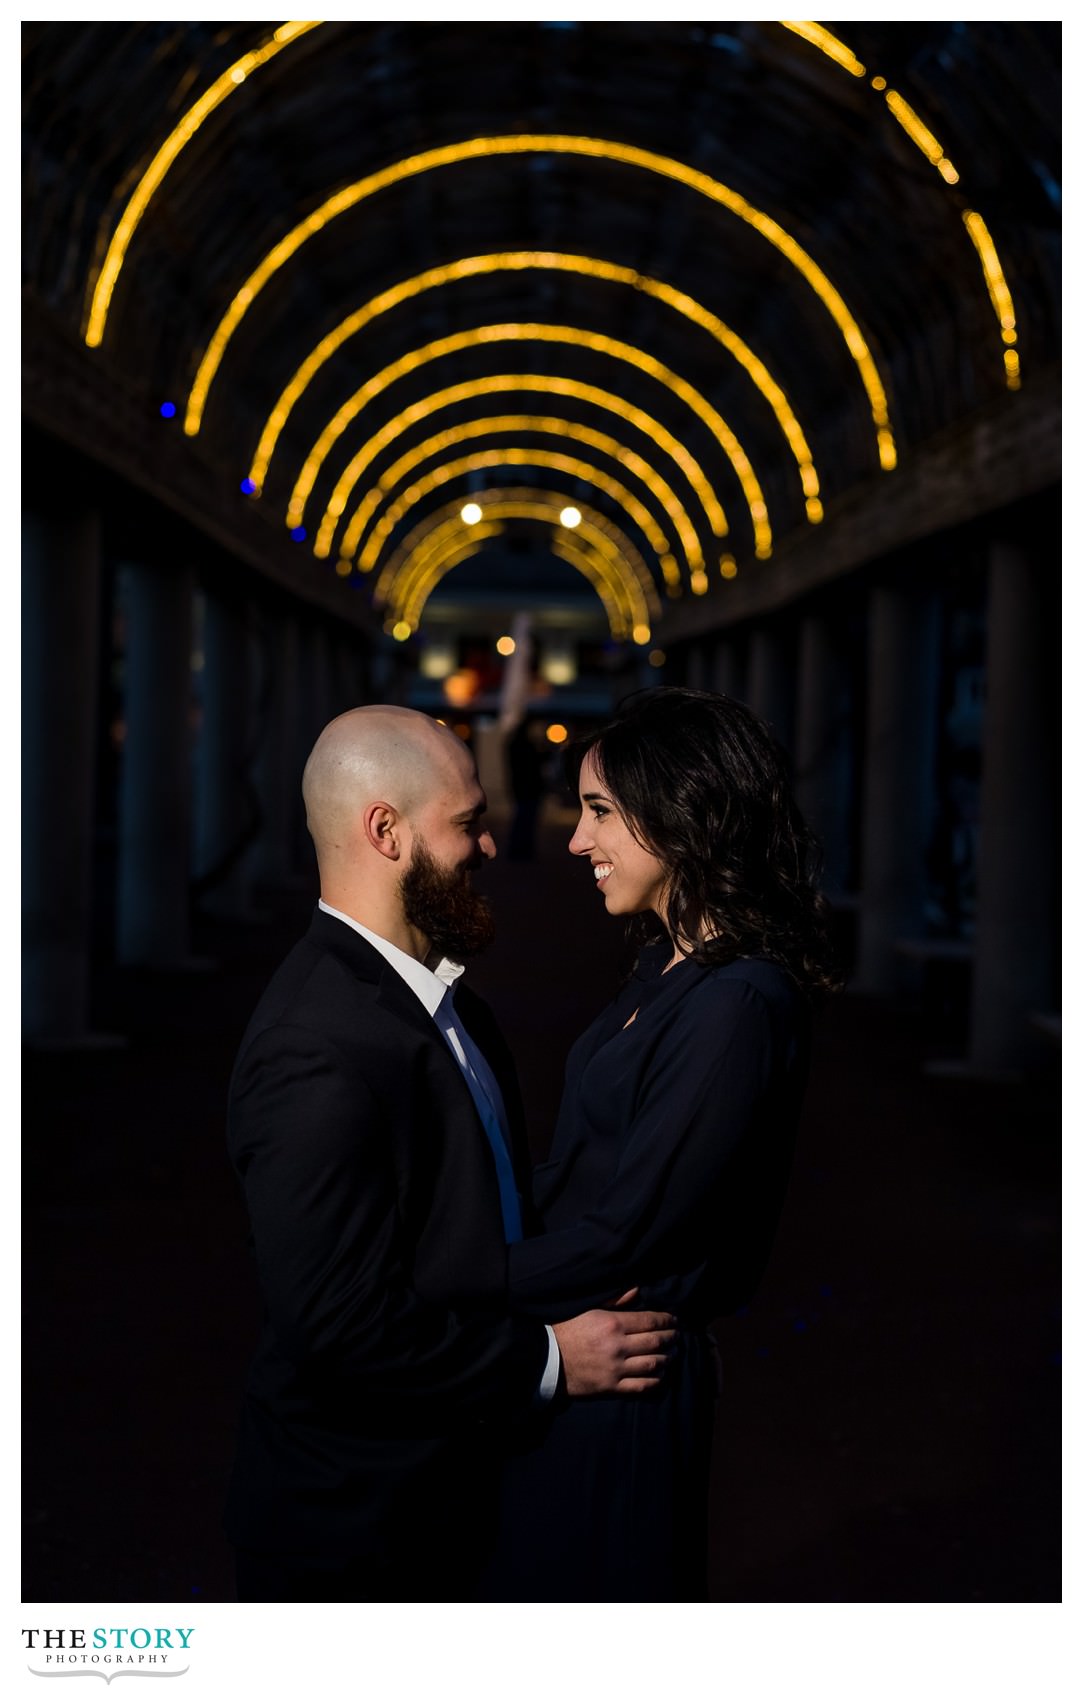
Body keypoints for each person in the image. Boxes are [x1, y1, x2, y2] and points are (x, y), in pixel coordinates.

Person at [224, 705, 676, 1603]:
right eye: (467, 824)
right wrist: (551, 1361)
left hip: (445, 1495)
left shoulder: (438, 1001)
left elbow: (473, 1212)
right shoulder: (313, 1044)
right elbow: (339, 1329)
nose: (489, 847)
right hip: (360, 1530)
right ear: (384, 831)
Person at [479, 686, 840, 1602]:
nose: (575, 839)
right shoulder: (668, 965)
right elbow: (587, 1176)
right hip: (583, 1346)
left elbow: (628, 1231)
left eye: (600, 811)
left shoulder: (737, 1003)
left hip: (625, 1379)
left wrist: (442, 1279)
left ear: (681, 812)